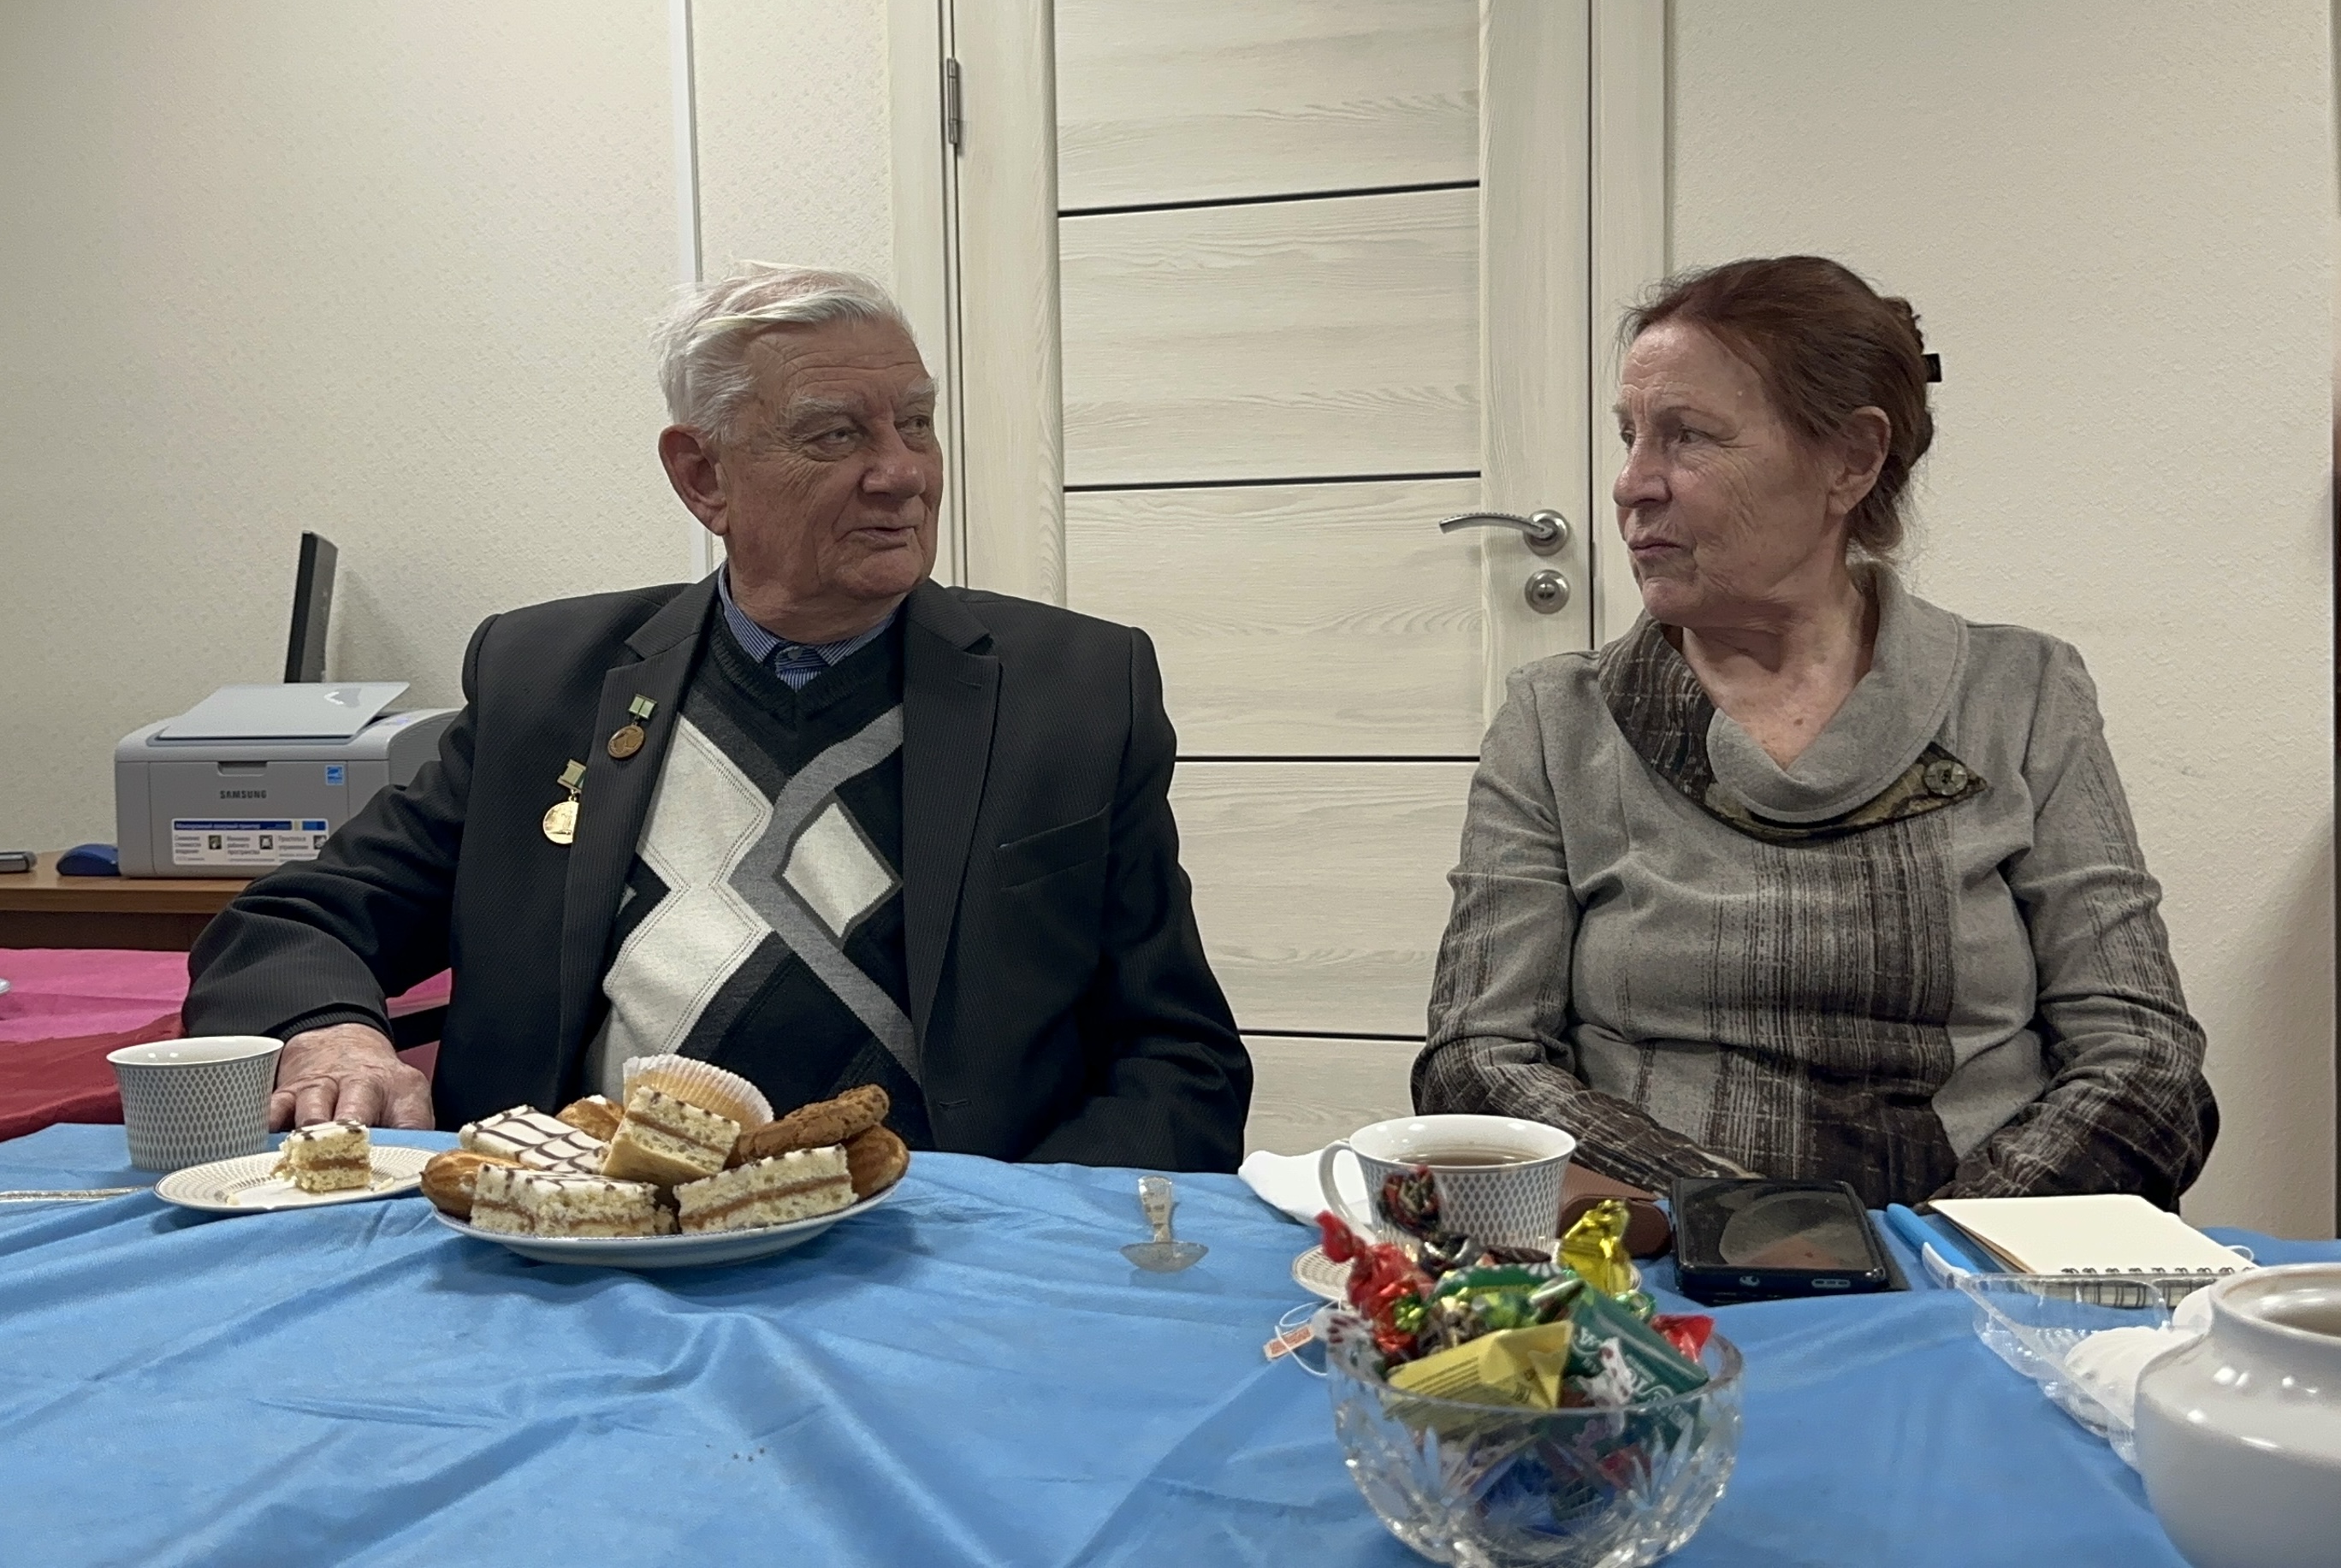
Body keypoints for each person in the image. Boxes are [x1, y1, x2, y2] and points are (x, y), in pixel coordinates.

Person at [184, 263, 1251, 1171]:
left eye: (917, 423)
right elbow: (297, 922)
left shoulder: (1074, 693)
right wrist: (331, 1036)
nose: (902, 473)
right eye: (836, 435)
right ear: (703, 476)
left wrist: (1008, 1236)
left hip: (932, 1251)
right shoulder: (548, 681)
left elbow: (1179, 1060)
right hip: (585, 1245)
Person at [1413, 255, 2216, 1209]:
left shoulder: (2022, 694)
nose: (1631, 485)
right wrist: (1757, 1228)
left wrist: (1946, 1247)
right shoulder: (1558, 721)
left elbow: (2143, 1060)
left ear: (1851, 460)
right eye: (1630, 437)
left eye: (1688, 437)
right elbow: (1477, 1061)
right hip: (1660, 1256)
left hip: (1975, 1258)